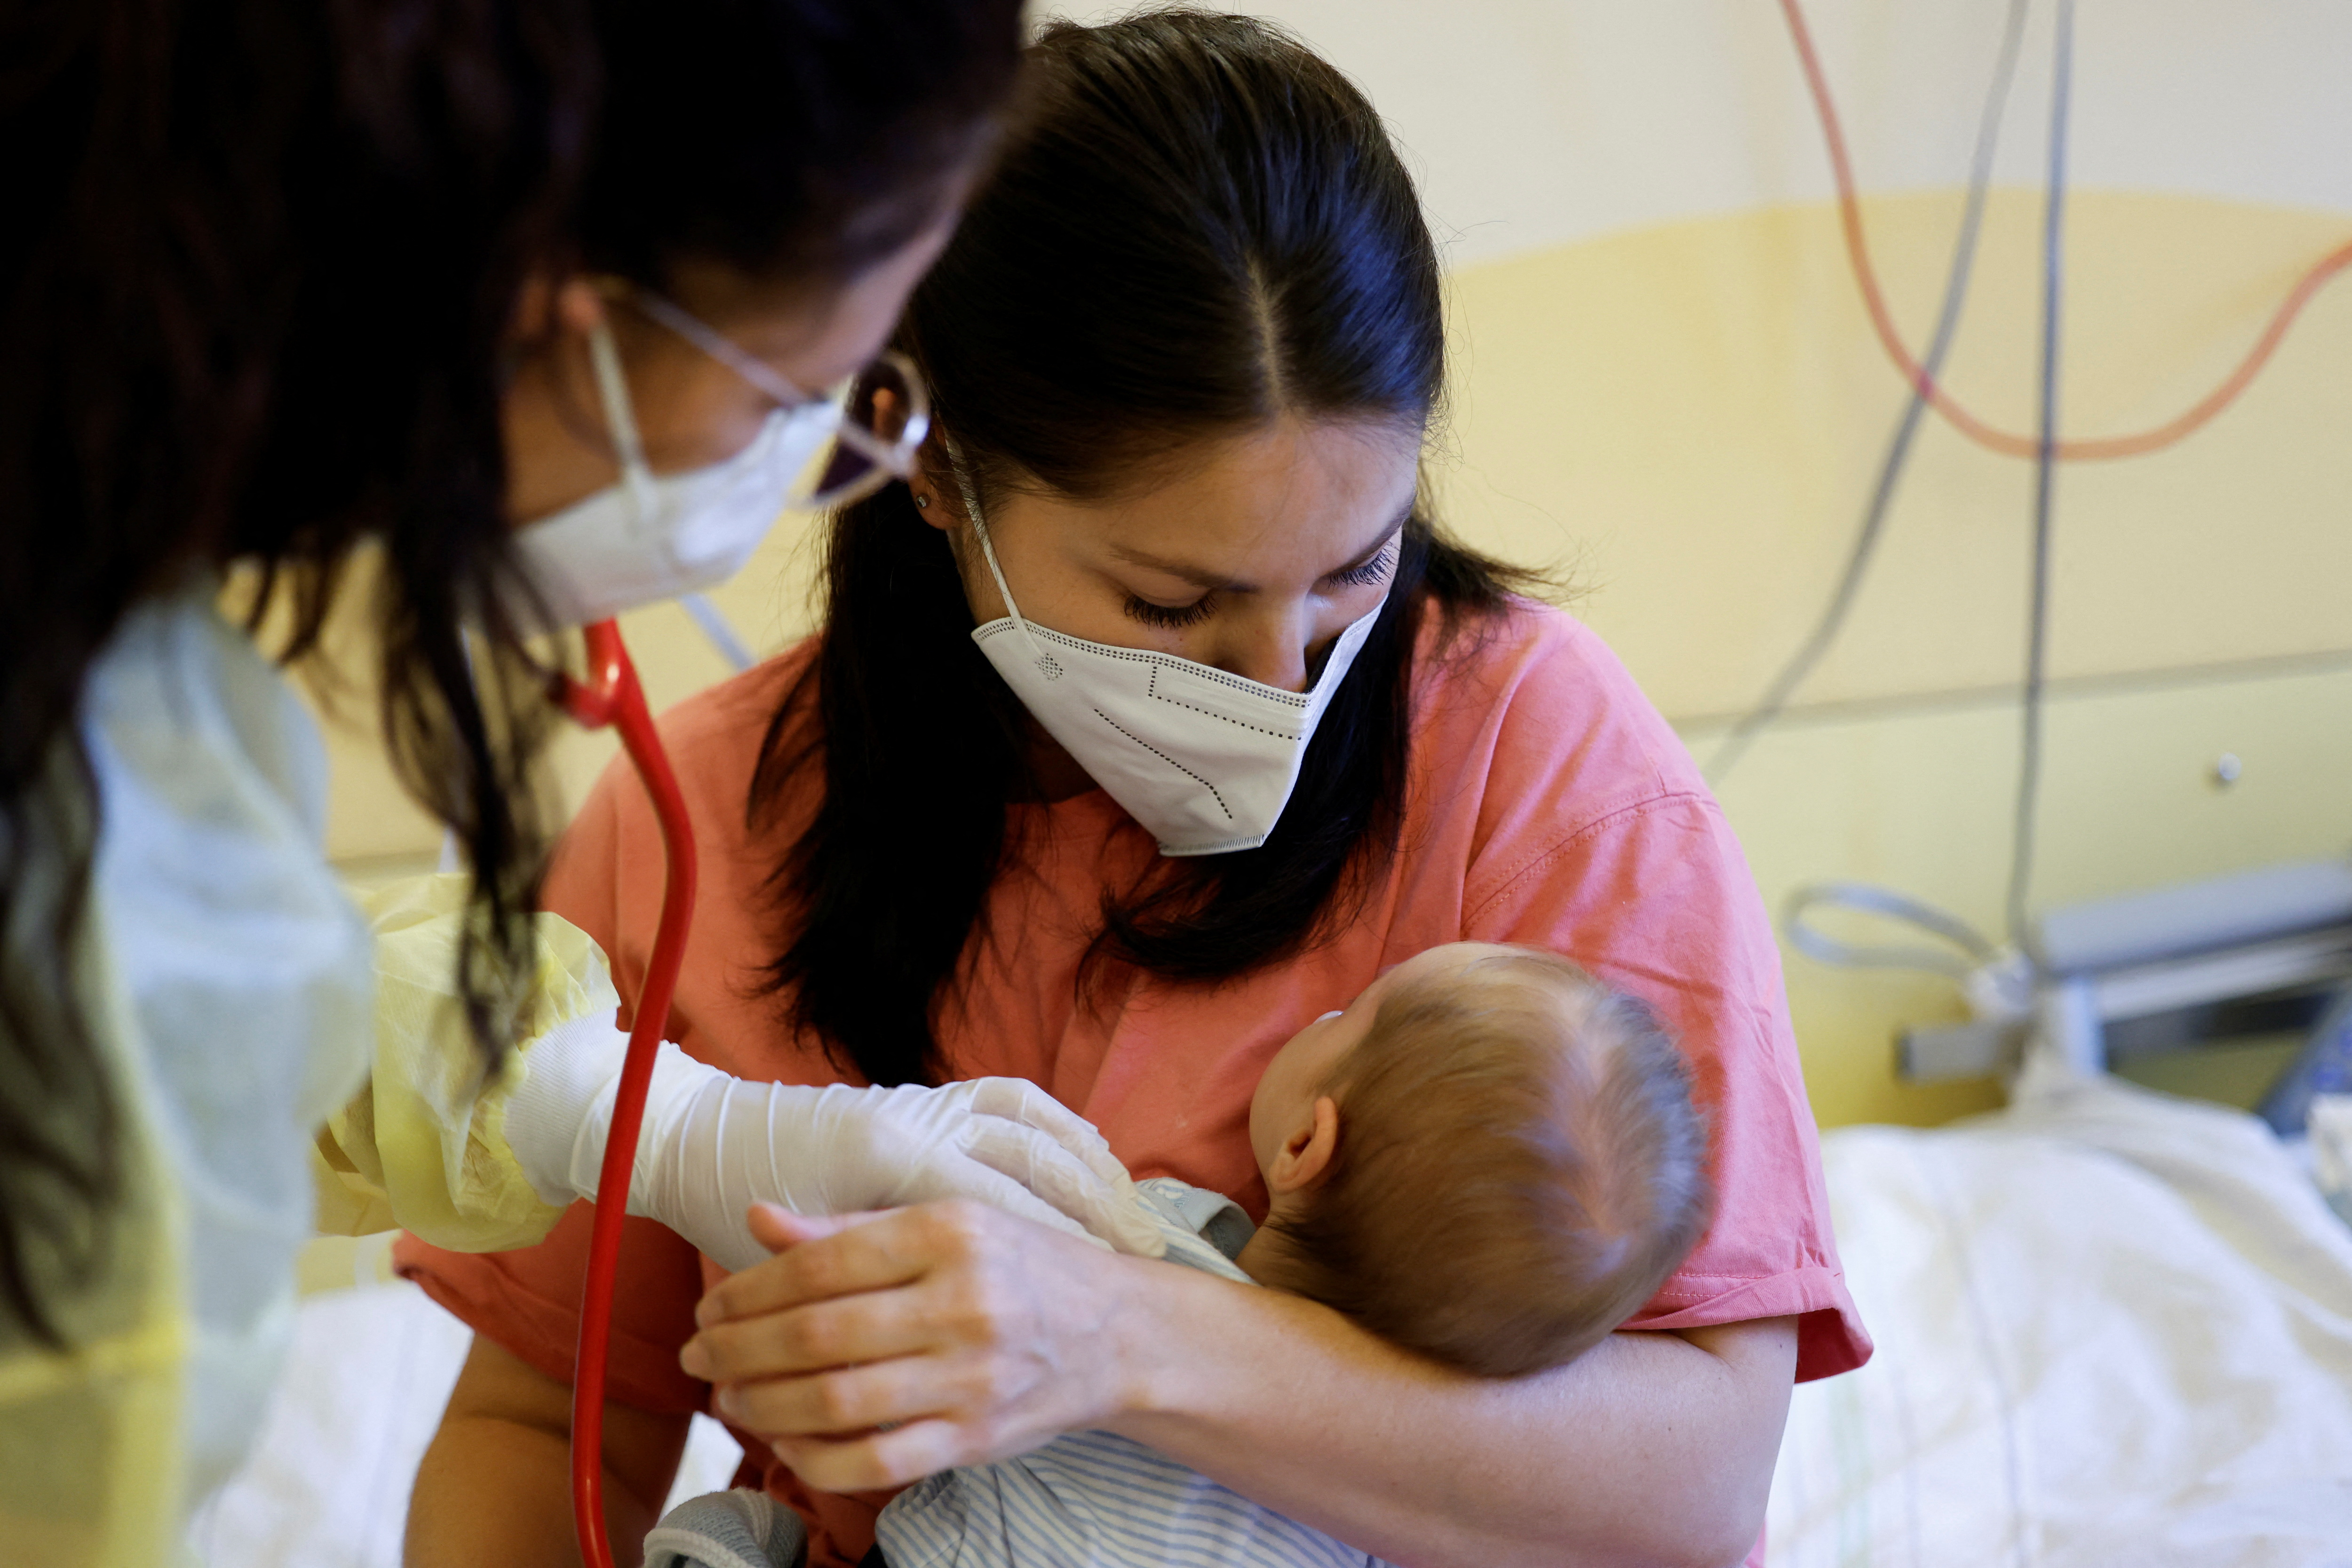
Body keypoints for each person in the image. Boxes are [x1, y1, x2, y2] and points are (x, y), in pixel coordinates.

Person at [400, 13, 1871, 1568]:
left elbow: (1694, 1492)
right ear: (935, 465)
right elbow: (539, 1421)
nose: (1277, 683)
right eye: (1175, 606)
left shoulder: (1546, 770)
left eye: (1350, 574)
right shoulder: (691, 824)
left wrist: (1120, 1337)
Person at [0, 4, 1152, 1564]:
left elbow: (194, 1017)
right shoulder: (106, 719)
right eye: (794, 392)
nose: (812, 463)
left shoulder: (136, 668)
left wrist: (668, 1124)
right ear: (556, 305)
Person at [644, 939, 1716, 1568]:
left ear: (1304, 1141)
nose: (1330, 1006)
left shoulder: (1144, 1235)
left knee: (729, 1530)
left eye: (1353, 1014)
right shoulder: (1414, 1501)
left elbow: (932, 1274)